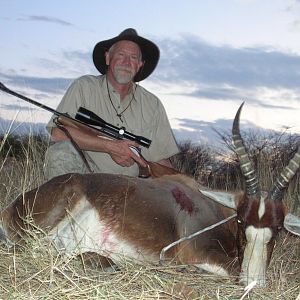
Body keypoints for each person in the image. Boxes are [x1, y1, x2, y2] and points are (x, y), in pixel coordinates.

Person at [44, 28, 179, 180]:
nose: (126, 62)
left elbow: (161, 160)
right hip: (87, 183)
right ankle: (70, 204)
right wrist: (110, 146)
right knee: (60, 153)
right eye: (121, 55)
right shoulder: (84, 87)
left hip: (135, 189)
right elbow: (58, 134)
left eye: (133, 57)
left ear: (140, 64)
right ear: (108, 58)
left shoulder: (152, 104)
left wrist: (185, 186)